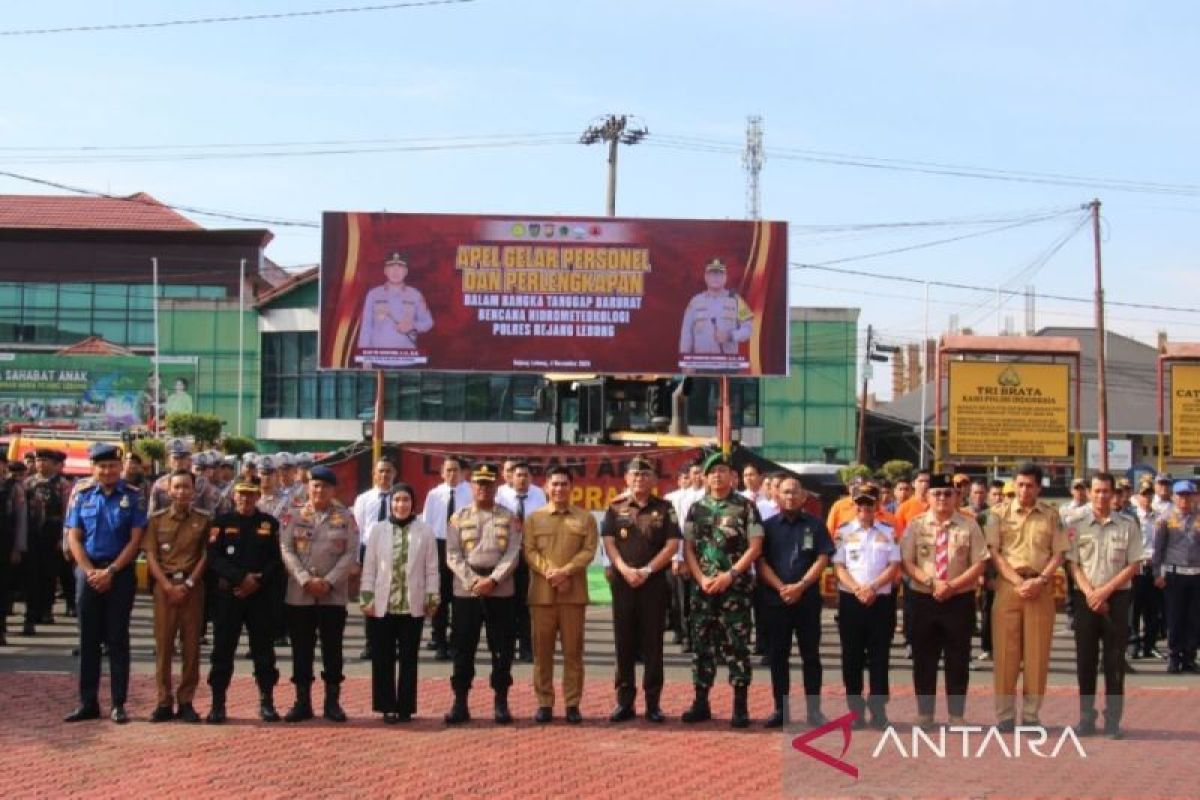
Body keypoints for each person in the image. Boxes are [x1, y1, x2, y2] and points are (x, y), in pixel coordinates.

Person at [63, 444, 148, 724]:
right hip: (88, 571)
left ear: (120, 467)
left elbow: (136, 540)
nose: (108, 471)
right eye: (102, 466)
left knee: (117, 639)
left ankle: (118, 704)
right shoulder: (82, 494)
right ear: (93, 468)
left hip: (119, 573)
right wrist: (90, 572)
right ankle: (87, 702)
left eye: (112, 466)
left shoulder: (133, 496)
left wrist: (110, 571)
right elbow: (74, 536)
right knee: (88, 640)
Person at [681, 452, 764, 728]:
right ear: (705, 478)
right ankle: (700, 702)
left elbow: (755, 547)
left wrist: (731, 575)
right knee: (701, 646)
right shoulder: (696, 509)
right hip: (703, 589)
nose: (717, 476)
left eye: (722, 471)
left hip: (735, 590)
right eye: (712, 472)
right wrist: (700, 578)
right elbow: (688, 548)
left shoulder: (745, 507)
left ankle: (740, 706)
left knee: (737, 647)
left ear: (732, 477)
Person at [902, 473, 988, 728]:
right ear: (927, 497)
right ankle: (925, 714)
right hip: (924, 598)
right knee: (924, 659)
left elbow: (979, 563)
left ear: (956, 496)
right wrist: (932, 583)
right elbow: (907, 561)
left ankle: (956, 715)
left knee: (958, 659)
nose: (942, 498)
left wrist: (952, 585)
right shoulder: (916, 525)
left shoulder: (969, 525)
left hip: (958, 599)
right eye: (937, 493)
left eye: (948, 493)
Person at [984, 463, 1066, 730]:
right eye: (1019, 484)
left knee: (1037, 655)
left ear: (1039, 487)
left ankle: (1031, 715)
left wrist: (1040, 580)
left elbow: (1059, 553)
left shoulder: (1051, 515)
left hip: (1040, 586)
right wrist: (1018, 581)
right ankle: (1005, 715)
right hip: (1009, 585)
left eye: (1030, 485)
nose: (1024, 490)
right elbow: (994, 552)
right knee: (1005, 655)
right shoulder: (998, 514)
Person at [602, 457, 681, 723]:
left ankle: (653, 703)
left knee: (653, 644)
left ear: (654, 480)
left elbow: (672, 544)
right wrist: (624, 569)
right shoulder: (615, 507)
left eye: (645, 475)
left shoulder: (665, 508)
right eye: (635, 475)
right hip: (623, 583)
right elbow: (609, 543)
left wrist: (647, 571)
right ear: (626, 479)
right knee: (623, 642)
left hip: (654, 583)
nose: (640, 479)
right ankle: (624, 702)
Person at [279, 465, 359, 723]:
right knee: (301, 649)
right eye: (315, 485)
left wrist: (329, 582)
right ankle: (302, 702)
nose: (319, 490)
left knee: (332, 649)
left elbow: (351, 552)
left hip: (332, 595)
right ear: (308, 487)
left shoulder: (346, 517)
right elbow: (286, 549)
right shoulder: (293, 515)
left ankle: (332, 702)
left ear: (333, 490)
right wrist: (305, 580)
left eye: (325, 486)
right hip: (300, 594)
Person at [443, 465, 522, 724]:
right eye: (479, 483)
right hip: (467, 590)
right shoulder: (458, 517)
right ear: (472, 486)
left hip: (501, 589)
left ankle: (501, 701)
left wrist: (494, 579)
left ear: (495, 486)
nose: (483, 488)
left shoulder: (509, 517)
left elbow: (513, 552)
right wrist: (473, 580)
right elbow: (452, 554)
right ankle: (460, 702)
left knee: (502, 648)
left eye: (488, 484)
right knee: (463, 648)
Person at [1068, 472, 1143, 738]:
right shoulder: (1076, 524)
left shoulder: (1128, 524)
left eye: (1106, 491)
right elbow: (1072, 563)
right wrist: (1091, 593)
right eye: (1097, 491)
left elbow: (1134, 564)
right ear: (1089, 493)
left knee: (1114, 661)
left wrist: (1105, 592)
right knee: (1085, 661)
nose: (1101, 496)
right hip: (1085, 598)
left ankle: (1113, 720)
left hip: (1117, 598)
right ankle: (1086, 718)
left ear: (1114, 494)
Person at [758, 475, 835, 728]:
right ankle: (781, 710)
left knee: (810, 656)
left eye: (795, 492)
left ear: (803, 497)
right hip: (776, 599)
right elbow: (760, 562)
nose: (790, 496)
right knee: (778, 656)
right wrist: (782, 587)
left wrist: (801, 586)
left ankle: (814, 711)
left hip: (807, 600)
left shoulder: (816, 524)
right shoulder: (767, 526)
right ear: (776, 495)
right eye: (785, 492)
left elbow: (823, 558)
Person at [524, 466, 599, 724]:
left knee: (573, 653)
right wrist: (551, 573)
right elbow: (529, 551)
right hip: (542, 596)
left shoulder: (585, 519)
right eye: (554, 484)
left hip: (573, 595)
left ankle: (572, 704)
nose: (559, 489)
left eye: (564, 484)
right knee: (542, 653)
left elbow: (589, 551)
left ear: (571, 487)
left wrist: (566, 571)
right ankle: (544, 703)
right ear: (546, 487)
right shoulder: (534, 518)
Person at [205, 481, 284, 724]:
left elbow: (275, 560)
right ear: (233, 496)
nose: (245, 499)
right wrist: (240, 578)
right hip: (229, 596)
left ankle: (266, 701)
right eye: (241, 495)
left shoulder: (269, 524)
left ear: (258, 496)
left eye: (250, 495)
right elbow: (213, 558)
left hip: (259, 596)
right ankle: (218, 704)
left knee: (263, 652)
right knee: (222, 651)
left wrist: (257, 581)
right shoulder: (221, 523)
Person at [360, 483, 439, 724]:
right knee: (382, 657)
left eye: (405, 500)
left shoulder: (425, 531)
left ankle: (405, 706)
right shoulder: (378, 530)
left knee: (409, 658)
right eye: (396, 500)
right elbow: (370, 566)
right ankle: (387, 706)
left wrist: (432, 597)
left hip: (412, 604)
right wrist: (366, 597)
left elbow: (432, 568)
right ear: (391, 503)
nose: (401, 505)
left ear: (412, 503)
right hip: (383, 604)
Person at [142, 470, 210, 723]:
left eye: (186, 487)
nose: (182, 492)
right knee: (164, 646)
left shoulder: (204, 520)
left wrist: (189, 583)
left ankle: (186, 701)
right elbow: (151, 556)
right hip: (165, 588)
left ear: (194, 491)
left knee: (191, 646)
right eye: (177, 487)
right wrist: (166, 586)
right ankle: (163, 701)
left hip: (192, 588)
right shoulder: (156, 520)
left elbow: (206, 555)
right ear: (169, 491)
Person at [832, 486, 901, 730]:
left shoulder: (889, 531)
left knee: (879, 657)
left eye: (869, 504)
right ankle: (855, 710)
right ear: (854, 505)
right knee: (851, 657)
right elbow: (839, 566)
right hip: (851, 600)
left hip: (880, 600)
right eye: (860, 504)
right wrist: (858, 589)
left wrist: (872, 587)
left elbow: (894, 565)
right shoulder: (843, 532)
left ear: (877, 506)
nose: (864, 509)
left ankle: (879, 710)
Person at [419, 456, 474, 660]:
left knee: (460, 597)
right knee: (440, 597)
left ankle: (456, 642)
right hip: (439, 545)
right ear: (442, 472)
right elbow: (427, 524)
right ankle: (440, 641)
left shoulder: (470, 492)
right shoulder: (434, 495)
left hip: (463, 546)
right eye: (448, 470)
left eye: (455, 470)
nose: (452, 474)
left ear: (462, 472)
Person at [495, 460, 546, 663]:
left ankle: (527, 648)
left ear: (531, 478)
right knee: (506, 604)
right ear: (511, 477)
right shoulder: (500, 495)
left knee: (527, 603)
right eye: (518, 475)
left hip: (530, 555)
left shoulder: (539, 495)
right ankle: (505, 648)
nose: (522, 479)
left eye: (526, 475)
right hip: (506, 555)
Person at [1153, 480, 1200, 674]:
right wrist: (1157, 573)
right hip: (1174, 575)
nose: (1184, 500)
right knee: (1174, 618)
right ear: (1174, 497)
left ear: (1194, 497)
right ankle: (1174, 657)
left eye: (1188, 496)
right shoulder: (1165, 518)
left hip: (1196, 575)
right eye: (1180, 496)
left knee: (1194, 618)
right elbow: (1158, 548)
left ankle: (1189, 657)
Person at [22, 448, 71, 635]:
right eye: (38, 460)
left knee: (49, 574)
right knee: (31, 575)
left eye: (45, 460)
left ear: (53, 463)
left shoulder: (62, 484)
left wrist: (63, 538)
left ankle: (46, 609)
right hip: (33, 533)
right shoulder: (28, 483)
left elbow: (67, 512)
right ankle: (32, 612)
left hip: (53, 532)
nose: (41, 464)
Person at [352, 458, 397, 660]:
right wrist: (357, 559)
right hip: (369, 550)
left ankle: (392, 644)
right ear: (374, 474)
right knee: (369, 597)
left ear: (394, 474)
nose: (385, 475)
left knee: (392, 598)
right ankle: (371, 644)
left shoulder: (399, 497)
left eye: (388, 471)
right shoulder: (363, 499)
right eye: (381, 471)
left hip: (393, 550)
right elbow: (358, 530)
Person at [357, 251, 434, 350]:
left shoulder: (415, 295)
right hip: (378, 354)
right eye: (391, 267)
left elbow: (428, 322)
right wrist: (363, 353)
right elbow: (366, 327)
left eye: (400, 267)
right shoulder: (373, 294)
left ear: (406, 271)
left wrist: (413, 326)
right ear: (385, 271)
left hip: (407, 355)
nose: (395, 271)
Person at [678, 258, 753, 356]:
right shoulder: (695, 302)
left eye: (720, 274)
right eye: (712, 274)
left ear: (725, 277)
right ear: (706, 277)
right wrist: (685, 360)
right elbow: (686, 335)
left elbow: (748, 329)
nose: (715, 277)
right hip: (700, 362)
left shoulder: (737, 300)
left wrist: (730, 335)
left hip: (728, 362)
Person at [1129, 477, 1165, 660]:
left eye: (1149, 494)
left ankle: (1149, 645)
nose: (1147, 498)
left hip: (1154, 567)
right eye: (1143, 494)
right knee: (1134, 609)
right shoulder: (1132, 517)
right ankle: (1134, 644)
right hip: (1138, 567)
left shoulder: (1159, 517)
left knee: (1153, 610)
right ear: (1137, 496)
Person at [0, 454, 28, 646]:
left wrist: (18, 547)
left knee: (2, 589)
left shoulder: (13, 488)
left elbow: (21, 520)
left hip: (5, 545)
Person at [151, 439, 221, 515]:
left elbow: (210, 513)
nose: (179, 462)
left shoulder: (202, 484)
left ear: (189, 460)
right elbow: (152, 514)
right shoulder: (159, 484)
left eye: (183, 458)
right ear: (168, 460)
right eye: (175, 458)